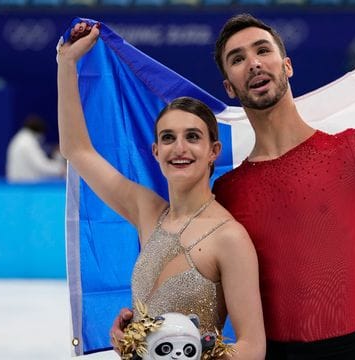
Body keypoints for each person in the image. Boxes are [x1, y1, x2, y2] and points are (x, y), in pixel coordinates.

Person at [114, 1, 355, 358]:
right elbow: (201, 289)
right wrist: (144, 329)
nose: (254, 63)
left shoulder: (353, 152)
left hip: (343, 354)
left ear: (287, 65)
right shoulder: (227, 192)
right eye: (238, 59)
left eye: (262, 50)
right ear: (229, 86)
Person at [58, 22, 265, 360]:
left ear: (214, 151)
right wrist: (66, 66)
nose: (179, 148)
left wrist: (192, 353)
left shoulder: (230, 238)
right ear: (155, 151)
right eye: (168, 138)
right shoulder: (147, 210)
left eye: (192, 137)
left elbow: (253, 348)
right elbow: (77, 150)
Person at [6, 114, 65, 182]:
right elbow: (41, 165)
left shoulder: (21, 138)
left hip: (20, 183)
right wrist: (61, 169)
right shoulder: (27, 143)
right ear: (39, 132)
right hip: (25, 185)